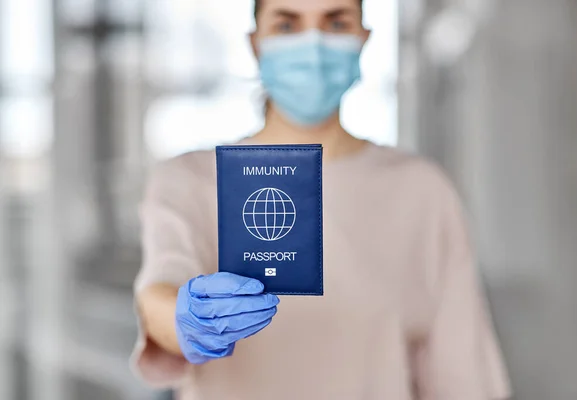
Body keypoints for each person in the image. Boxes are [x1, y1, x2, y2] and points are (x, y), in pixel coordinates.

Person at [131, 0, 512, 399]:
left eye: (335, 21)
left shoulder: (423, 192)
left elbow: (463, 380)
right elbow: (161, 286)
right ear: (254, 42)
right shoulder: (190, 181)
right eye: (286, 24)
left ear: (363, 37)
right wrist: (184, 320)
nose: (312, 45)